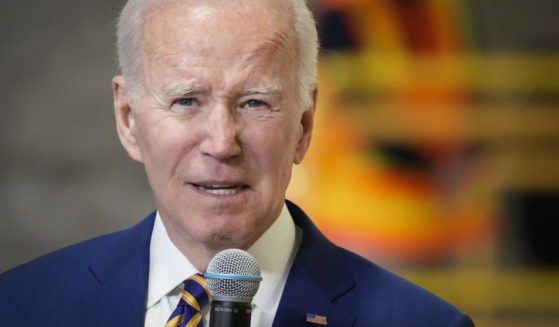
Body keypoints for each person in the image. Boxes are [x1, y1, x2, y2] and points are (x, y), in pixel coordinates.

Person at [0, 0, 474, 326]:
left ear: (304, 124)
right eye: (187, 100)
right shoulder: (19, 308)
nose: (222, 143)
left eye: (254, 103)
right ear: (128, 118)